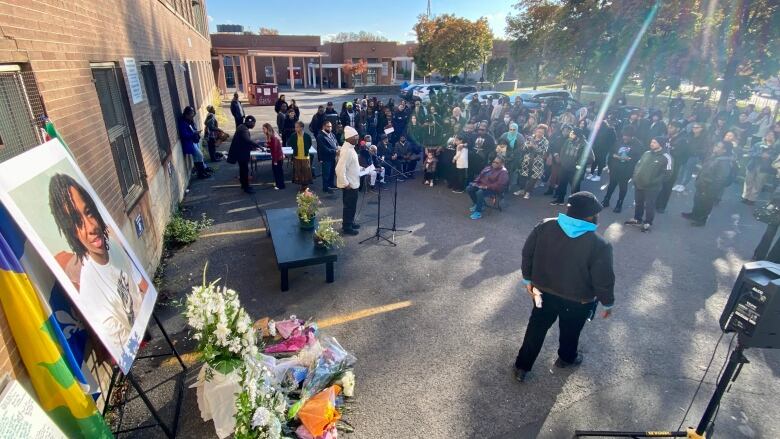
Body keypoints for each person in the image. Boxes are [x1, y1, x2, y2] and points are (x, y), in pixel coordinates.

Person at [513, 191, 614, 382]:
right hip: (578, 300)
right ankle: (567, 358)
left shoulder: (544, 226)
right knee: (571, 330)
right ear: (591, 216)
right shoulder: (600, 244)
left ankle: (521, 366)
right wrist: (608, 303)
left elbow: (528, 254)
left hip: (541, 291)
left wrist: (528, 280)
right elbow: (603, 279)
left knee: (536, 326)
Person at [49, 174, 148, 356]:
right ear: (69, 230)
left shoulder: (115, 247)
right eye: (77, 222)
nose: (91, 227)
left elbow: (143, 287)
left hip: (139, 328)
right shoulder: (88, 284)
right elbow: (118, 345)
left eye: (89, 213)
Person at [625, 136, 672, 232]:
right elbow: (638, 165)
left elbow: (667, 174)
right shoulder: (646, 153)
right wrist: (635, 177)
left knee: (650, 205)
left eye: (654, 142)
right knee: (638, 203)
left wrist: (653, 182)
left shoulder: (666, 157)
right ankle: (637, 219)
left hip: (652, 187)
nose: (651, 144)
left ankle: (648, 223)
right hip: (639, 183)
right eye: (651, 142)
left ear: (661, 144)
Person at [682, 141, 734, 226]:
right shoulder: (714, 156)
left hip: (709, 187)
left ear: (724, 150)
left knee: (705, 204)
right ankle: (694, 214)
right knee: (698, 200)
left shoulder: (724, 162)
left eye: (718, 146)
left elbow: (720, 179)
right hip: (702, 184)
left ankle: (701, 220)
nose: (715, 147)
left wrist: (710, 189)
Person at [602, 127, 642, 213]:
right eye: (624, 135)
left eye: (627, 136)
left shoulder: (638, 145)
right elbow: (611, 152)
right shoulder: (618, 141)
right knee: (611, 185)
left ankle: (619, 204)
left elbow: (638, 158)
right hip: (615, 169)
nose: (625, 138)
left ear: (632, 136)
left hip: (626, 171)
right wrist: (610, 165)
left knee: (622, 188)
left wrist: (630, 159)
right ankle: (606, 200)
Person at [552, 128, 593, 206]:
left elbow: (591, 158)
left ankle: (574, 203)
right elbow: (562, 151)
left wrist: (579, 163)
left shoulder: (585, 144)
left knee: (575, 188)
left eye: (572, 133)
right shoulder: (568, 141)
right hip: (564, 167)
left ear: (577, 135)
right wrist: (562, 161)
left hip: (576, 170)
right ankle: (560, 200)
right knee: (562, 184)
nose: (570, 134)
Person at [656, 121, 690, 213]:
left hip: (673, 166)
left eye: (671, 127)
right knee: (659, 183)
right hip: (662, 164)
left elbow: (679, 154)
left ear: (677, 129)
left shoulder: (682, 140)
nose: (669, 128)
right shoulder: (666, 137)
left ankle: (661, 206)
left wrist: (670, 151)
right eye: (669, 126)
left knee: (667, 186)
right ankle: (656, 202)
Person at [227, 115, 262, 193]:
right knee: (244, 170)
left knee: (243, 170)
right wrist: (258, 146)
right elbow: (247, 140)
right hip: (241, 154)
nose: (254, 125)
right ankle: (246, 187)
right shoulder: (243, 129)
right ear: (250, 122)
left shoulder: (242, 127)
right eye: (254, 123)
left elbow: (244, 141)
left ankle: (244, 185)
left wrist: (253, 147)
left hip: (241, 152)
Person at [336, 126, 361, 236]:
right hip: (349, 185)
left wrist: (362, 169)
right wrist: (346, 184)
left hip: (353, 183)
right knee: (349, 206)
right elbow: (339, 169)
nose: (358, 139)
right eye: (356, 137)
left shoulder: (351, 147)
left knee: (352, 205)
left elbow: (352, 166)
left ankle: (350, 222)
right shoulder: (346, 150)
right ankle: (347, 227)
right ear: (349, 138)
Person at [742, 131, 778, 205]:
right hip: (753, 165)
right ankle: (745, 196)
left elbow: (776, 158)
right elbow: (751, 152)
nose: (769, 136)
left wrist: (769, 157)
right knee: (748, 180)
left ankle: (752, 199)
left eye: (772, 135)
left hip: (765, 168)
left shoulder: (775, 148)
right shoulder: (758, 144)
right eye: (768, 134)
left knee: (759, 183)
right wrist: (759, 154)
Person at [515, 125, 549, 199]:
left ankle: (528, 192)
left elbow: (543, 152)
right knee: (523, 176)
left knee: (533, 178)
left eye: (542, 132)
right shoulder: (529, 138)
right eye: (538, 131)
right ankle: (522, 190)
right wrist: (528, 146)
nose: (539, 133)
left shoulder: (545, 141)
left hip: (537, 162)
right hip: (527, 160)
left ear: (544, 134)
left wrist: (534, 147)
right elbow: (523, 148)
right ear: (536, 131)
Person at [178, 106, 210, 179]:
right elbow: (184, 135)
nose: (192, 116)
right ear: (186, 115)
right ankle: (201, 173)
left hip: (194, 140)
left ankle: (202, 172)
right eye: (191, 115)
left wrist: (195, 132)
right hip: (189, 142)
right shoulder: (182, 122)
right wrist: (194, 133)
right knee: (200, 155)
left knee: (197, 157)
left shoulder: (189, 120)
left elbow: (193, 128)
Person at [287, 121, 313, 191]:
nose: (295, 129)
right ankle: (302, 185)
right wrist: (294, 148)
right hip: (297, 157)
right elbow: (289, 143)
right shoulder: (293, 135)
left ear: (301, 128)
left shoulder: (307, 136)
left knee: (306, 171)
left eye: (297, 127)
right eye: (295, 127)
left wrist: (306, 149)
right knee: (299, 172)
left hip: (305, 157)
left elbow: (310, 144)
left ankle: (305, 186)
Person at [316, 120, 339, 194]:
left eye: (331, 126)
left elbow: (336, 142)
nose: (330, 128)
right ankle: (325, 188)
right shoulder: (320, 136)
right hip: (326, 158)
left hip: (333, 157)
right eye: (328, 126)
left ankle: (331, 185)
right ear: (323, 127)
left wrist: (338, 148)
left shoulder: (331, 134)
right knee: (326, 173)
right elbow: (324, 148)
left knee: (332, 172)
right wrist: (335, 151)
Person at [263, 123, 285, 190]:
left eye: (264, 129)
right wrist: (268, 145)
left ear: (267, 129)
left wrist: (275, 160)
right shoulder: (271, 136)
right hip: (277, 157)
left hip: (277, 157)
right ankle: (279, 184)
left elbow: (275, 149)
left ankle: (280, 185)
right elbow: (273, 145)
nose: (263, 130)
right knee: (277, 171)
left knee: (278, 172)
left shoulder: (273, 137)